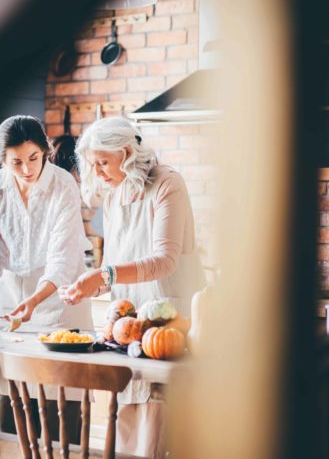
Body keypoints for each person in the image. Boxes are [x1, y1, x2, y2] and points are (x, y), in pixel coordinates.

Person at [60, 117, 206, 458]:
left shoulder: (168, 184)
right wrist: (90, 287)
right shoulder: (113, 197)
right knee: (128, 431)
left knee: (161, 431)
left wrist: (104, 275)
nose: (97, 173)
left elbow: (164, 261)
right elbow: (116, 262)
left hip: (169, 324)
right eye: (92, 165)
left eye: (103, 163)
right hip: (127, 330)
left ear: (125, 153)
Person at [0, 115, 92, 440]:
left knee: (61, 421)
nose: (27, 169)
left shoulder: (63, 185)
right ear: (2, 160)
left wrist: (34, 301)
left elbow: (61, 260)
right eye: (16, 162)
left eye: (33, 158)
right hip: (12, 307)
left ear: (44, 150)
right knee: (9, 415)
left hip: (60, 308)